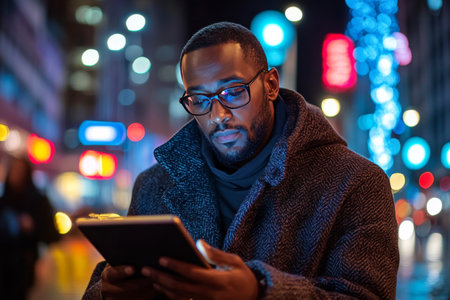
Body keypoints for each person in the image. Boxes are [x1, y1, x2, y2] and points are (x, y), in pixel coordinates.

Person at [83, 22, 399, 299]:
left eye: (233, 92)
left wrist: (259, 291)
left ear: (271, 85)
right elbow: (103, 287)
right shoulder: (153, 185)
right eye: (199, 99)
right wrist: (107, 294)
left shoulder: (356, 183)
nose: (217, 116)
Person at [0, 156, 60, 300]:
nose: (16, 175)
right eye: (14, 170)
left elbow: (52, 235)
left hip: (24, 268)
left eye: (20, 171)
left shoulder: (38, 201)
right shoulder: (3, 202)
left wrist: (33, 227)